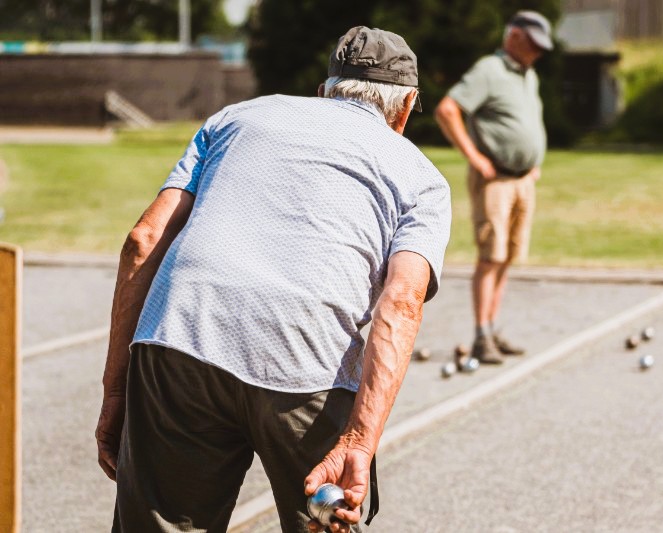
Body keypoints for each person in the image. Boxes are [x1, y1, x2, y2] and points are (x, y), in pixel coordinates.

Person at [95, 26, 451, 533]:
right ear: (406, 105)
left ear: (326, 88)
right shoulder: (421, 177)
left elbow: (144, 241)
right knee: (325, 523)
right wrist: (358, 441)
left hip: (180, 339)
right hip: (307, 359)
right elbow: (401, 305)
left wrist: (115, 390)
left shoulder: (236, 118)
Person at [435, 10, 552, 365]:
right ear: (514, 36)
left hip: (521, 181)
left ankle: (493, 327)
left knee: (509, 256)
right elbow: (447, 109)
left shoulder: (527, 75)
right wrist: (474, 156)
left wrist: (532, 162)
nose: (537, 53)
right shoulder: (490, 69)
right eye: (532, 44)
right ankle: (481, 335)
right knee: (490, 257)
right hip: (494, 180)